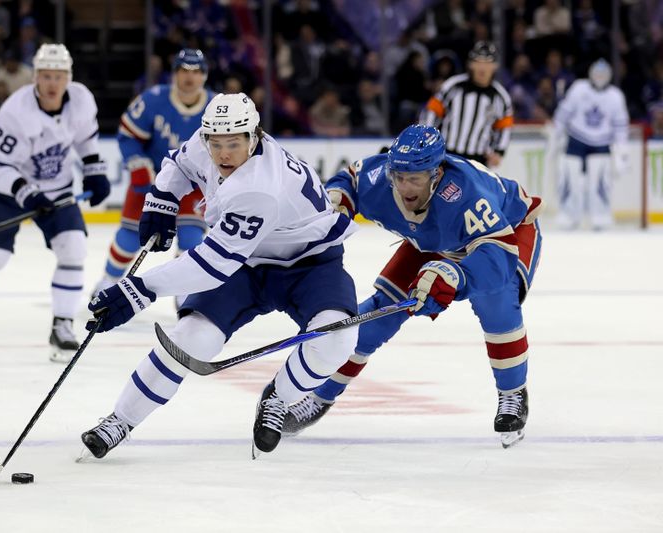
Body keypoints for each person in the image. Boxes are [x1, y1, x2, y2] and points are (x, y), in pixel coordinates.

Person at [80, 93, 359, 458]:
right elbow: (178, 165)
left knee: (337, 339)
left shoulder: (259, 187)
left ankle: (280, 397)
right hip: (246, 264)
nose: (223, 154)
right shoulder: (205, 142)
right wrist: (161, 198)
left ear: (253, 138)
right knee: (191, 340)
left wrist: (141, 289)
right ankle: (120, 420)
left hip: (309, 264)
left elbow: (212, 266)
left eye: (233, 144)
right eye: (216, 144)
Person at [281, 124, 544, 449]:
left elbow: (497, 258)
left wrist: (453, 276)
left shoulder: (466, 194)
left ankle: (513, 394)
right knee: (374, 319)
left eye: (415, 178)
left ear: (437, 174)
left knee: (497, 305)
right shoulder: (381, 178)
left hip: (506, 237)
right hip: (435, 239)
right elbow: (349, 181)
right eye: (399, 176)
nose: (404, 187)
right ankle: (319, 399)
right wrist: (337, 200)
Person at [0, 44, 111, 364]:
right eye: (46, 76)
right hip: (9, 193)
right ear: (35, 77)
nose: (52, 84)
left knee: (74, 247)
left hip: (58, 190)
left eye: (59, 77)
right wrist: (27, 192)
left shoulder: (81, 100)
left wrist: (94, 171)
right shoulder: (14, 112)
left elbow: (85, 140)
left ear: (69, 78)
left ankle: (62, 324)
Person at [92, 48, 215, 303]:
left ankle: (185, 289)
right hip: (153, 183)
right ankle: (108, 280)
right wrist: (138, 166)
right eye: (183, 71)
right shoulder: (153, 100)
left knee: (191, 237)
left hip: (193, 186)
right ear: (173, 74)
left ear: (204, 76)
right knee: (129, 236)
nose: (189, 78)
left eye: (195, 72)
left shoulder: (216, 107)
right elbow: (128, 135)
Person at [551, 58, 630, 230]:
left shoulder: (615, 96)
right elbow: (563, 113)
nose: (600, 77)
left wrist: (622, 149)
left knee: (601, 182)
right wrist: (555, 134)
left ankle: (600, 215)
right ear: (590, 74)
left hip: (602, 142)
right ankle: (568, 215)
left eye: (603, 74)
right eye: (597, 73)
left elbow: (620, 125)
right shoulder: (579, 89)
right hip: (576, 138)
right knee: (570, 179)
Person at [420, 41, 513, 168]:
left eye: (487, 63)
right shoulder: (452, 86)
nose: (482, 67)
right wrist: (426, 141)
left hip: (478, 162)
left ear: (495, 66)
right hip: (446, 157)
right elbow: (431, 112)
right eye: (478, 62)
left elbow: (504, 127)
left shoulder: (500, 97)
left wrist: (499, 152)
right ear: (470, 64)